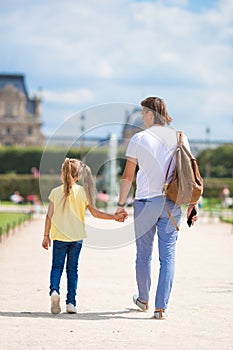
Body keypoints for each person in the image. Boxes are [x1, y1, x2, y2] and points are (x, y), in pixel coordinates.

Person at [116, 97, 198, 320]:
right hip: (171, 204)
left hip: (145, 202)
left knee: (143, 256)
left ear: (151, 114)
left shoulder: (139, 139)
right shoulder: (181, 137)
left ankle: (143, 299)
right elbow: (189, 174)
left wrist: (121, 205)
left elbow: (127, 176)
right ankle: (161, 307)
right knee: (168, 258)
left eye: (143, 114)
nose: (141, 118)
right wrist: (193, 204)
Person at [42, 158, 127, 315]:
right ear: (78, 176)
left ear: (63, 173)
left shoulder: (55, 192)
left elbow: (49, 216)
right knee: (72, 270)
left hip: (59, 238)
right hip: (76, 239)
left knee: (56, 267)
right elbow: (95, 213)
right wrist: (114, 217)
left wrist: (46, 235)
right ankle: (71, 303)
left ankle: (54, 291)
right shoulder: (82, 192)